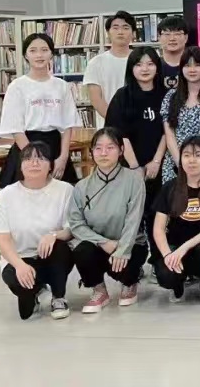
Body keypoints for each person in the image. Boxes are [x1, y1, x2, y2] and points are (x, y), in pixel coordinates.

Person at [0, 142, 74, 320]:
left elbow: (72, 229)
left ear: (51, 165)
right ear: (20, 165)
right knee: (25, 312)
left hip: (50, 255)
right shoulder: (7, 194)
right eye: (28, 159)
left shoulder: (65, 190)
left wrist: (54, 235)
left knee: (60, 248)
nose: (34, 163)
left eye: (40, 159)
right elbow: (2, 240)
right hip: (20, 258)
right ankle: (35, 291)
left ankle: (58, 297)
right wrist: (19, 265)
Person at [68, 128, 147, 314]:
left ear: (121, 150)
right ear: (92, 152)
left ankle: (130, 283)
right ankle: (99, 290)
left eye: (110, 147)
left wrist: (122, 249)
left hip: (129, 244)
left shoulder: (134, 180)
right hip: (100, 245)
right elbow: (76, 224)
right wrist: (103, 242)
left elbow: (134, 220)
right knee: (82, 251)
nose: (103, 153)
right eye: (98, 148)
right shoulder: (81, 186)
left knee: (127, 268)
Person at [105, 47, 167, 268]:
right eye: (139, 64)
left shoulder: (167, 95)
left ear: (157, 67)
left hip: (161, 164)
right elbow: (119, 135)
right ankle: (132, 263)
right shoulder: (122, 96)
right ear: (131, 68)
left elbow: (168, 131)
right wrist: (135, 167)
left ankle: (159, 260)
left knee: (158, 213)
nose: (145, 69)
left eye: (150, 64)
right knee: (131, 215)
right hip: (129, 166)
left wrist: (156, 161)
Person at [0, 33, 83, 187]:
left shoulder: (61, 86)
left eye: (44, 50)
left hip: (55, 147)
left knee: (62, 194)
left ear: (51, 53)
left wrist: (63, 157)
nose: (39, 55)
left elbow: (67, 125)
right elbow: (16, 129)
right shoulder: (17, 86)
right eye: (33, 50)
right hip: (27, 147)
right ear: (25, 55)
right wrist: (34, 159)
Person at [152, 136, 200, 305]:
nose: (191, 160)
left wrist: (184, 248)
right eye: (186, 155)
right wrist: (168, 254)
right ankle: (177, 287)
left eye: (198, 155)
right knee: (165, 274)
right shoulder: (170, 187)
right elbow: (158, 229)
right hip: (175, 247)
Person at [160, 47, 200, 184]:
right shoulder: (171, 96)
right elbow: (170, 136)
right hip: (175, 165)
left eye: (197, 65)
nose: (192, 70)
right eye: (187, 65)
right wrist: (182, 164)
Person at [83, 10, 136, 127]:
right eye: (115, 28)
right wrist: (116, 120)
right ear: (108, 33)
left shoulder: (141, 61)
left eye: (125, 28)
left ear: (133, 33)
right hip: (108, 127)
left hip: (138, 125)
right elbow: (96, 99)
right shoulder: (96, 63)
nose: (120, 32)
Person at [157, 15, 188, 91]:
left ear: (186, 37)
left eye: (177, 34)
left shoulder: (194, 66)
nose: (172, 38)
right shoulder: (153, 66)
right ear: (159, 38)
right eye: (167, 34)